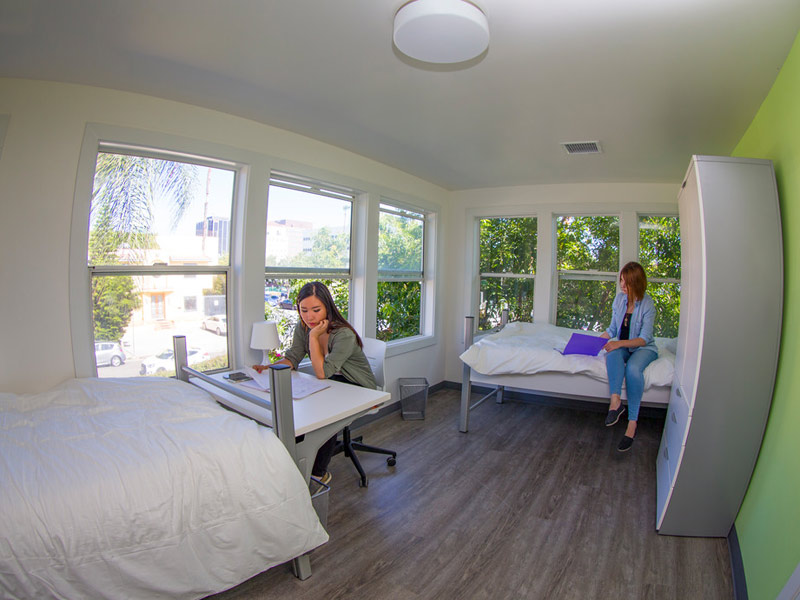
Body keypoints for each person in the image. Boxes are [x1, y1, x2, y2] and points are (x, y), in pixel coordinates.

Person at [253, 281, 377, 484]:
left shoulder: (343, 334)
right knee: (301, 409)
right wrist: (268, 368)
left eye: (316, 310)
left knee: (326, 415)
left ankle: (318, 474)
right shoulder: (302, 327)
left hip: (359, 387)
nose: (309, 317)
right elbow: (293, 358)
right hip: (333, 382)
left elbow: (322, 372)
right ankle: (294, 465)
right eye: (304, 310)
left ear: (328, 307)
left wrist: (313, 337)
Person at [600, 262, 658, 453]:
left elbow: (644, 339)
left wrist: (618, 343)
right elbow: (612, 329)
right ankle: (615, 402)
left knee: (633, 369)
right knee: (611, 354)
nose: (623, 286)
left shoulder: (647, 304)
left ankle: (632, 423)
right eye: (621, 281)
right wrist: (595, 342)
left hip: (643, 348)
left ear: (637, 283)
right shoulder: (619, 300)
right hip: (624, 346)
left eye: (627, 282)